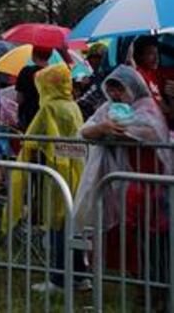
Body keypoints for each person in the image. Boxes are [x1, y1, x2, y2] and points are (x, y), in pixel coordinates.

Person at [74, 65, 173, 290]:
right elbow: (84, 132)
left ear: (133, 86)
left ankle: (158, 288)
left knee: (154, 239)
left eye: (120, 89)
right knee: (132, 237)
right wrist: (103, 127)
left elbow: (149, 132)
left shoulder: (147, 108)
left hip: (150, 184)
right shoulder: (108, 109)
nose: (116, 95)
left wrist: (114, 130)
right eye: (112, 89)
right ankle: (142, 285)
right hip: (121, 186)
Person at [5, 63, 87, 293]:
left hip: (56, 173)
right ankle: (80, 275)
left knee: (57, 225)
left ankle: (59, 278)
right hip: (76, 171)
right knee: (74, 224)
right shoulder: (73, 106)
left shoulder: (49, 108)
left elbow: (32, 138)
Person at [15, 47, 53, 131]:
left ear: (33, 54)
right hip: (49, 117)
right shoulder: (54, 73)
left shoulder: (26, 71)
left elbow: (19, 99)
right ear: (51, 55)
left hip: (29, 117)